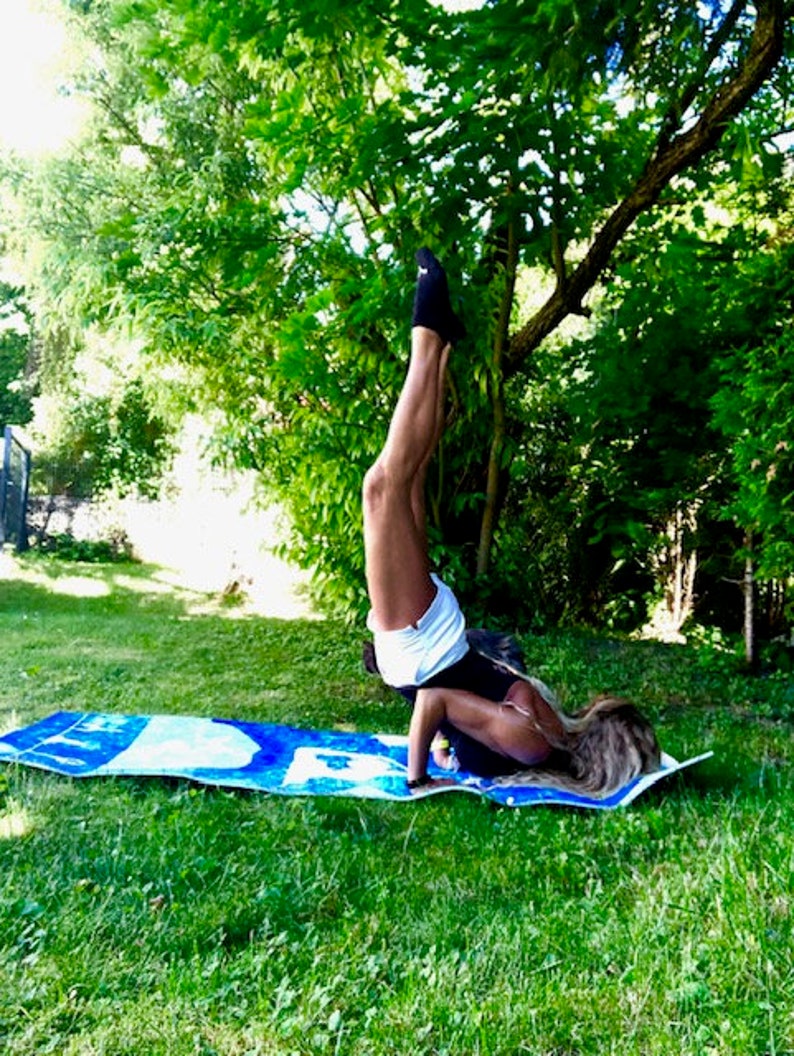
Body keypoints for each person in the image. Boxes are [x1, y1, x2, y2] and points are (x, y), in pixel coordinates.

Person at [362, 249, 661, 796]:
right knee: (387, 487)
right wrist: (426, 766)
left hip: (431, 649)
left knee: (402, 483)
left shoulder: (540, 733)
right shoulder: (534, 740)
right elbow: (440, 702)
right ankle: (429, 336)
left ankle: (439, 344)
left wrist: (431, 761)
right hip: (424, 652)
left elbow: (446, 707)